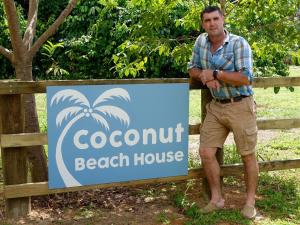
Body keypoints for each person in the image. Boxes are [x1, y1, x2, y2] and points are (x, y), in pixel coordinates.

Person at [187, 6, 259, 219]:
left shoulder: (239, 43)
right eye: (207, 20)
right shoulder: (201, 42)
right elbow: (192, 67)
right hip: (217, 106)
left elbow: (246, 78)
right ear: (203, 23)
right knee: (206, 153)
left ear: (223, 19)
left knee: (247, 155)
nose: (212, 23)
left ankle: (249, 202)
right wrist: (204, 76)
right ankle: (217, 198)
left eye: (215, 19)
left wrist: (217, 73)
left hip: (240, 105)